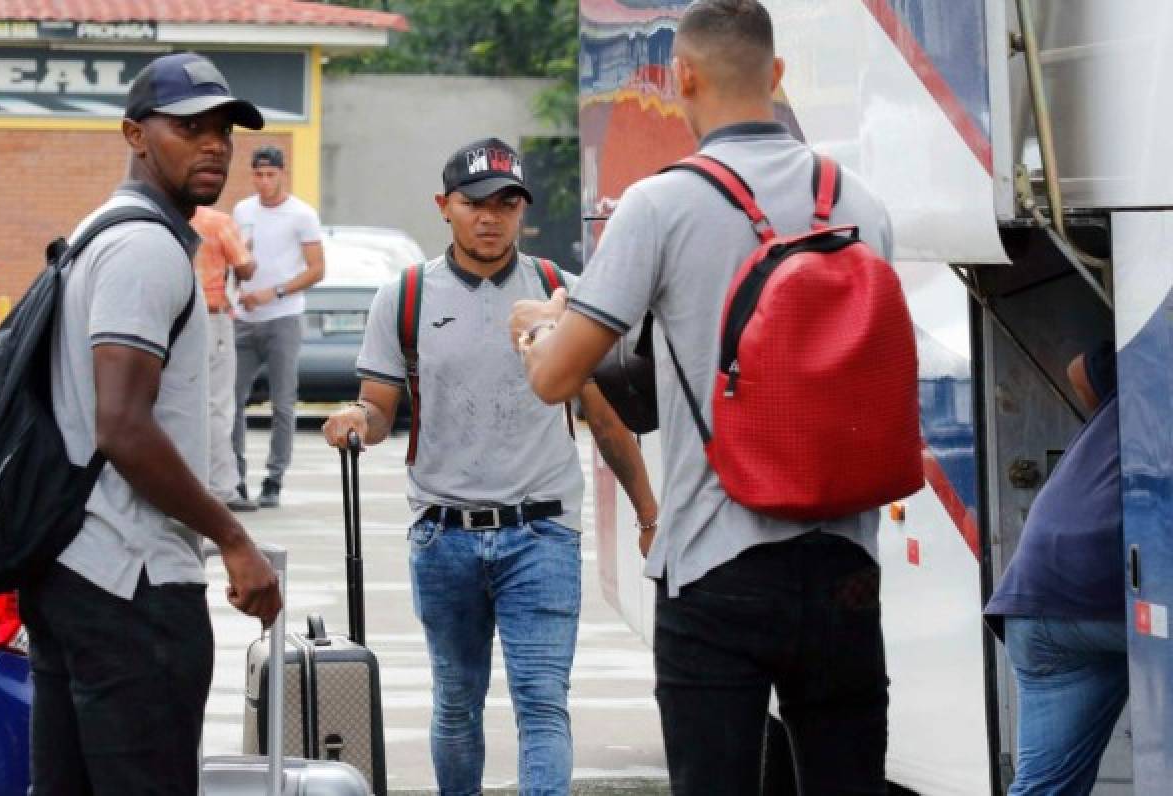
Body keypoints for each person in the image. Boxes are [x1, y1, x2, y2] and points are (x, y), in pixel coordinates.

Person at [510, 1, 895, 793]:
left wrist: (539, 329)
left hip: (717, 565)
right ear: (777, 74)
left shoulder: (660, 203)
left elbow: (558, 377)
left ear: (680, 76)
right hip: (845, 565)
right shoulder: (860, 202)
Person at [322, 137, 658, 795]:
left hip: (542, 535)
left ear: (522, 211)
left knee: (541, 704)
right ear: (443, 206)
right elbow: (381, 411)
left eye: (507, 203)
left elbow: (607, 419)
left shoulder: (560, 293)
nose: (490, 216)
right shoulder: (406, 296)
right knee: (455, 706)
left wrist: (649, 512)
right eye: (474, 202)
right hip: (442, 536)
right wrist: (358, 421)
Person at [19, 52, 281, 796]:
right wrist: (233, 538)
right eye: (189, 127)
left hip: (74, 571)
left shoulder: (101, 229)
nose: (214, 146)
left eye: (223, 130)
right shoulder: (143, 249)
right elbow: (122, 426)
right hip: (130, 584)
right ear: (135, 134)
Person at [984, 343, 1125, 796]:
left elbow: (1079, 367)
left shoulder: (1141, 373)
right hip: (1102, 592)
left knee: (1044, 788)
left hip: (1033, 599)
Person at [231, 145, 325, 509]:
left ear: (282, 174)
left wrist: (275, 291)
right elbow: (236, 257)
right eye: (259, 174)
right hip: (244, 317)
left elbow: (317, 268)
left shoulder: (301, 214)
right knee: (230, 401)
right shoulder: (242, 210)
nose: (265, 181)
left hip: (283, 317)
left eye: (271, 174)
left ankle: (274, 478)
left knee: (282, 402)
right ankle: (235, 478)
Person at [190, 204, 257, 512]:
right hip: (212, 317)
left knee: (182, 401)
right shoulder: (217, 222)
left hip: (174, 320)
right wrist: (247, 251)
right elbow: (245, 267)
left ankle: (190, 481)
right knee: (216, 404)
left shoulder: (163, 215)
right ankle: (222, 487)